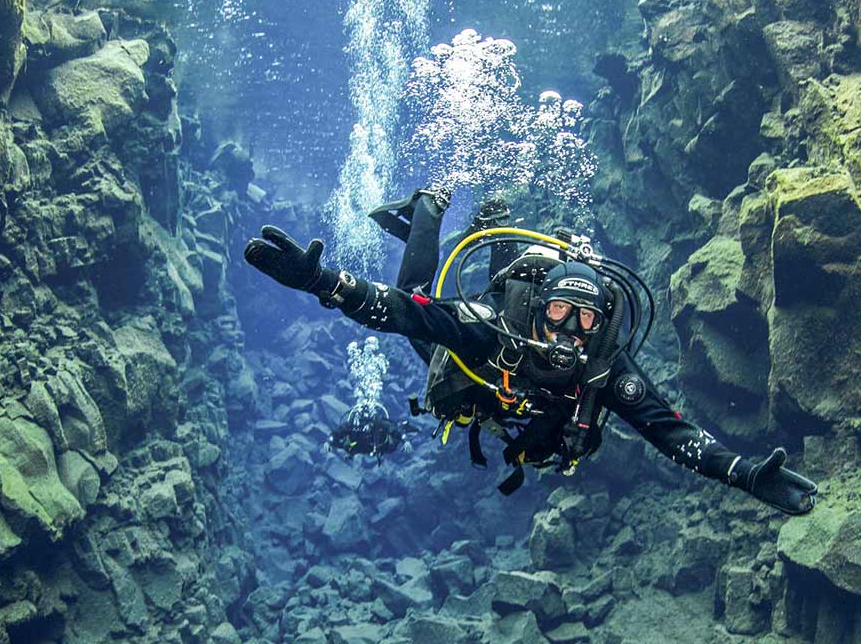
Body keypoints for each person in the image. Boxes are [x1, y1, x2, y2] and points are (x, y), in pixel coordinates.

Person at [244, 189, 818, 514]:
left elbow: (670, 431)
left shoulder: (605, 367)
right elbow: (402, 312)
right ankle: (427, 212)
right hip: (480, 381)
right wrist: (325, 283)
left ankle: (496, 225)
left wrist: (742, 473)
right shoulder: (495, 329)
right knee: (423, 304)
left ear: (600, 327)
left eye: (586, 318)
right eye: (560, 313)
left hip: (520, 418)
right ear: (540, 309)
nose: (569, 329)